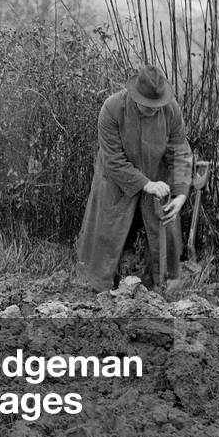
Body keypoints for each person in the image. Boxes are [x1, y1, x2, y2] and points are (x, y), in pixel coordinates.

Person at [75, 65, 193, 291]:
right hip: (115, 182)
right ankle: (102, 288)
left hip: (157, 181)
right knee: (108, 236)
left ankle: (161, 288)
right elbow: (113, 160)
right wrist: (145, 184)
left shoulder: (171, 110)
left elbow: (180, 151)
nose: (152, 109)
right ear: (134, 95)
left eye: (156, 105)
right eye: (147, 104)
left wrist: (180, 193)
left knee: (162, 235)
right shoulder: (111, 109)